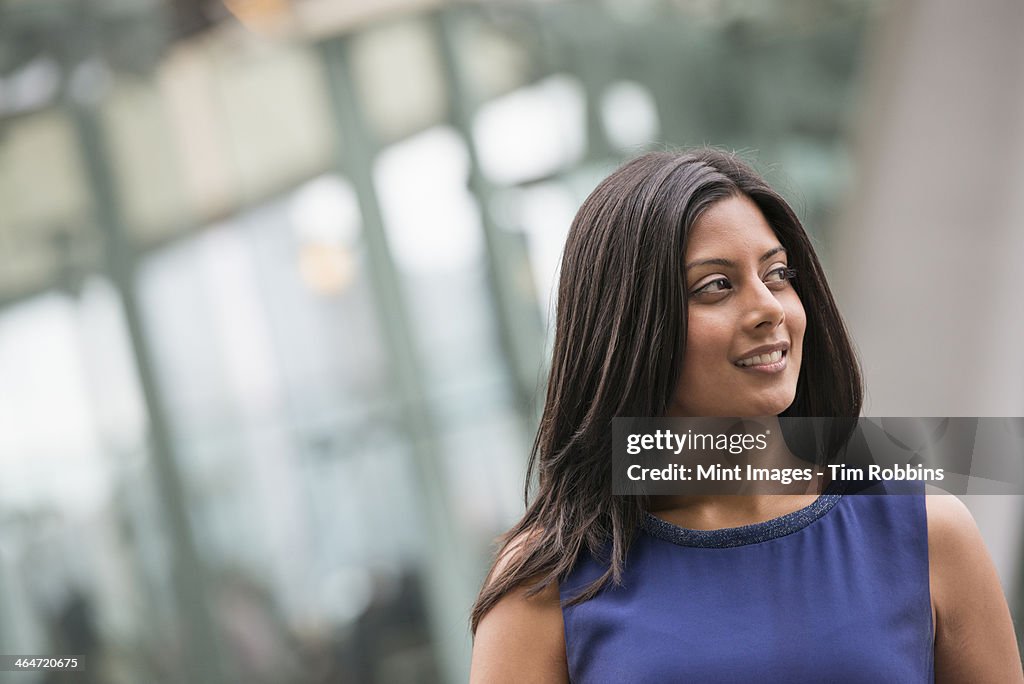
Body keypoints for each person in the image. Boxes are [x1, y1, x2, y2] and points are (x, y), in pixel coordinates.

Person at [468, 149, 1023, 682]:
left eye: (777, 274)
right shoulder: (546, 583)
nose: (769, 308)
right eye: (716, 286)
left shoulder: (928, 533)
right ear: (631, 327)